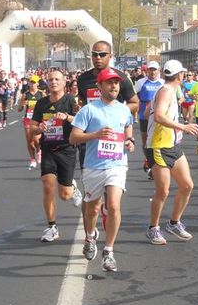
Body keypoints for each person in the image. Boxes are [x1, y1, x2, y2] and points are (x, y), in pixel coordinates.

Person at [70, 68, 135, 272]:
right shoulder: (89, 110)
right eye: (109, 83)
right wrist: (95, 135)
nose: (114, 86)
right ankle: (90, 237)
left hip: (117, 164)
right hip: (93, 166)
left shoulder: (124, 109)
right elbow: (73, 138)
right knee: (93, 209)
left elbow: (128, 128)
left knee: (114, 206)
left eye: (116, 83)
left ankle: (109, 251)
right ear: (99, 87)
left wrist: (130, 141)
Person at [76, 41, 138, 228]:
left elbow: (135, 103)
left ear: (110, 56)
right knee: (90, 198)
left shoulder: (120, 78)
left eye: (102, 54)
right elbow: (82, 101)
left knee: (111, 197)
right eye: (94, 54)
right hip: (90, 139)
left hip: (113, 140)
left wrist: (116, 112)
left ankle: (107, 210)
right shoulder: (83, 79)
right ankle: (90, 230)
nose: (98, 58)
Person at [145, 60, 198, 245]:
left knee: (187, 185)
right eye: (183, 74)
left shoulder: (170, 90)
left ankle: (174, 223)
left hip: (172, 145)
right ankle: (153, 228)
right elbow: (159, 116)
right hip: (159, 146)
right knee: (163, 191)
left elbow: (149, 113)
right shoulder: (166, 90)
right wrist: (182, 126)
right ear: (179, 75)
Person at [30, 69, 83, 243]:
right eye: (51, 79)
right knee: (47, 185)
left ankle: (73, 188)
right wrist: (40, 128)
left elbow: (83, 122)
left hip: (66, 149)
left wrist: (67, 117)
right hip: (47, 149)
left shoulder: (71, 101)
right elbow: (32, 128)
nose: (53, 82)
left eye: (57, 79)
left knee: (65, 195)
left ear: (64, 82)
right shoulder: (41, 103)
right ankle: (52, 227)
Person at [134, 61, 164, 160]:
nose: (152, 72)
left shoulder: (162, 83)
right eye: (150, 69)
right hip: (144, 115)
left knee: (158, 139)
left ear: (158, 71)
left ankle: (156, 160)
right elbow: (134, 97)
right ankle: (147, 159)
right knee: (145, 140)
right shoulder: (140, 82)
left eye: (154, 69)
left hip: (158, 115)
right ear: (147, 70)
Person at [18, 76, 44, 169]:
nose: (32, 84)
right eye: (31, 82)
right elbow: (19, 109)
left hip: (38, 120)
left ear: (37, 83)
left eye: (34, 82)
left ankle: (39, 150)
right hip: (28, 119)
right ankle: (32, 160)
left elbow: (47, 105)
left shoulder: (41, 94)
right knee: (29, 142)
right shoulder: (26, 94)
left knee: (37, 139)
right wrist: (22, 105)